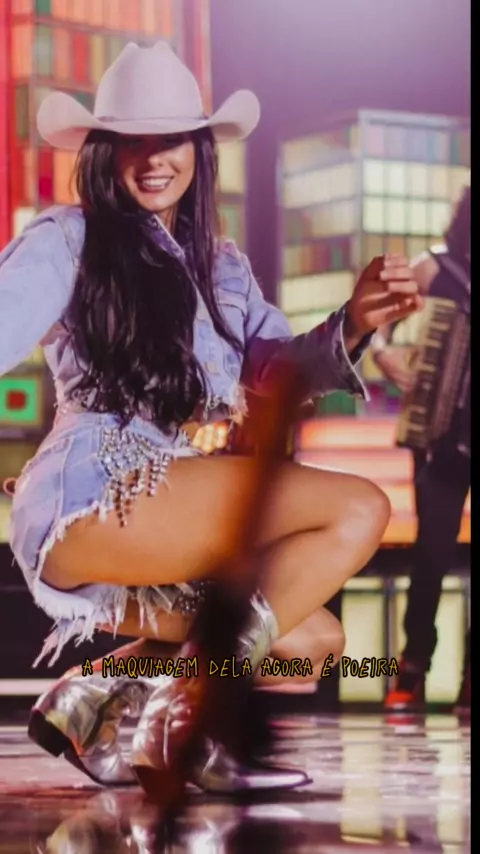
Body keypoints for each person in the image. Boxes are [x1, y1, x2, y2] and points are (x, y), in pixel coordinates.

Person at [0, 42, 421, 795]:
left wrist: (355, 322)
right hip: (97, 489)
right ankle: (185, 720)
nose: (154, 159)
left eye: (172, 139)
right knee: (360, 507)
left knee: (313, 640)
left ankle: (92, 699)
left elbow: (277, 372)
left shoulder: (221, 267)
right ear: (104, 151)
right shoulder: (69, 238)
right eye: (133, 140)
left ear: (199, 149)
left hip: (164, 497)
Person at [372, 187, 470, 714]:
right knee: (431, 555)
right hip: (440, 435)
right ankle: (412, 667)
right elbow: (380, 324)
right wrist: (384, 354)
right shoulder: (436, 268)